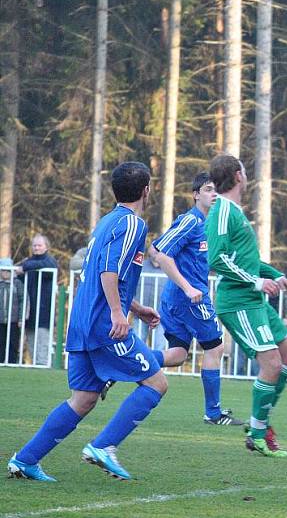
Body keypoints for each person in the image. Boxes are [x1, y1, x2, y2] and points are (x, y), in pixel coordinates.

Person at [8, 162, 167, 482]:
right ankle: (104, 446)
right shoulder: (134, 224)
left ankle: (25, 460)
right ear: (146, 190)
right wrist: (119, 314)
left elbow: (100, 275)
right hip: (103, 323)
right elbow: (109, 271)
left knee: (83, 399)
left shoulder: (106, 222)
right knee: (156, 383)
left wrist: (133, 307)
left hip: (83, 319)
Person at [205, 154, 287, 458]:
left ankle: (261, 421)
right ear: (237, 176)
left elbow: (246, 260)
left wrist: (274, 275)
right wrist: (257, 282)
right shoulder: (222, 211)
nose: (247, 176)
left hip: (253, 299)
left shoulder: (235, 211)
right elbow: (217, 259)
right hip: (238, 301)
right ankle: (258, 433)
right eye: (244, 171)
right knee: (271, 363)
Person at [149, 172, 243, 425]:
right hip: (189, 299)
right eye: (209, 189)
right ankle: (213, 413)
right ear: (195, 194)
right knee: (215, 347)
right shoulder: (191, 221)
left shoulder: (207, 224)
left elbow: (155, 248)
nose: (214, 194)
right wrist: (188, 287)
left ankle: (130, 361)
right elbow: (162, 255)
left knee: (178, 354)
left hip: (177, 298)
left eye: (217, 191)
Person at [18, 234, 58, 366]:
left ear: (47, 247)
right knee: (31, 344)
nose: (36, 248)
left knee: (42, 344)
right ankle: (36, 367)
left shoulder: (49, 261)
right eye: (34, 245)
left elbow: (50, 266)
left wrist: (25, 266)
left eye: (39, 245)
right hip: (30, 311)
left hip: (44, 312)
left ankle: (43, 367)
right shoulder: (28, 262)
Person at [0, 257, 26, 364]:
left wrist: (21, 318)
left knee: (13, 343)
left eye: (8, 271)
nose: (5, 273)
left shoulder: (17, 284)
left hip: (14, 320)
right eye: (3, 270)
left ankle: (12, 363)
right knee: (1, 342)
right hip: (0, 320)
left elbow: (23, 301)